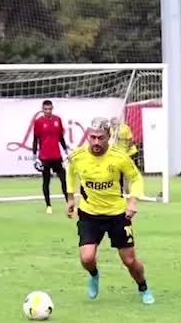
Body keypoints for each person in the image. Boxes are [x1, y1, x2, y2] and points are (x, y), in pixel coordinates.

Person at [66, 124, 155, 305]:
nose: (96, 142)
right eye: (93, 137)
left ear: (109, 137)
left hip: (117, 214)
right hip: (90, 213)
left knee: (129, 261)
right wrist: (70, 198)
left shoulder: (119, 157)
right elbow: (71, 173)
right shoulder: (78, 157)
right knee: (87, 258)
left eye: (101, 138)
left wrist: (133, 201)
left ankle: (143, 287)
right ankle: (94, 275)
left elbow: (136, 178)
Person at [32, 100, 70, 213]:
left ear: (52, 108)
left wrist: (66, 151)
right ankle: (48, 205)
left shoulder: (57, 120)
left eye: (50, 109)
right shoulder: (38, 122)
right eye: (45, 109)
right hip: (45, 157)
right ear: (42, 109)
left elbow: (61, 137)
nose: (48, 111)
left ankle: (69, 203)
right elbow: (35, 140)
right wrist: (34, 157)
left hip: (57, 156)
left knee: (64, 179)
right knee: (46, 181)